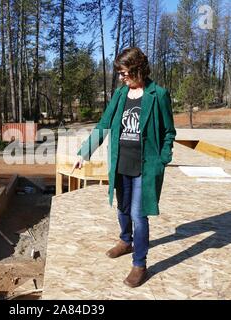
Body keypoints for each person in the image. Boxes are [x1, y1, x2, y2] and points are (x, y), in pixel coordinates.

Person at [72, 47, 176, 288]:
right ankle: (125, 241)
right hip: (121, 164)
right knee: (123, 209)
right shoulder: (120, 95)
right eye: (119, 72)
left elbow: (169, 131)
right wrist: (84, 153)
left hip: (145, 167)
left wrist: (163, 158)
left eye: (124, 72)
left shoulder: (157, 94)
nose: (121, 77)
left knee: (139, 215)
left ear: (137, 69)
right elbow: (103, 125)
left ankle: (140, 264)